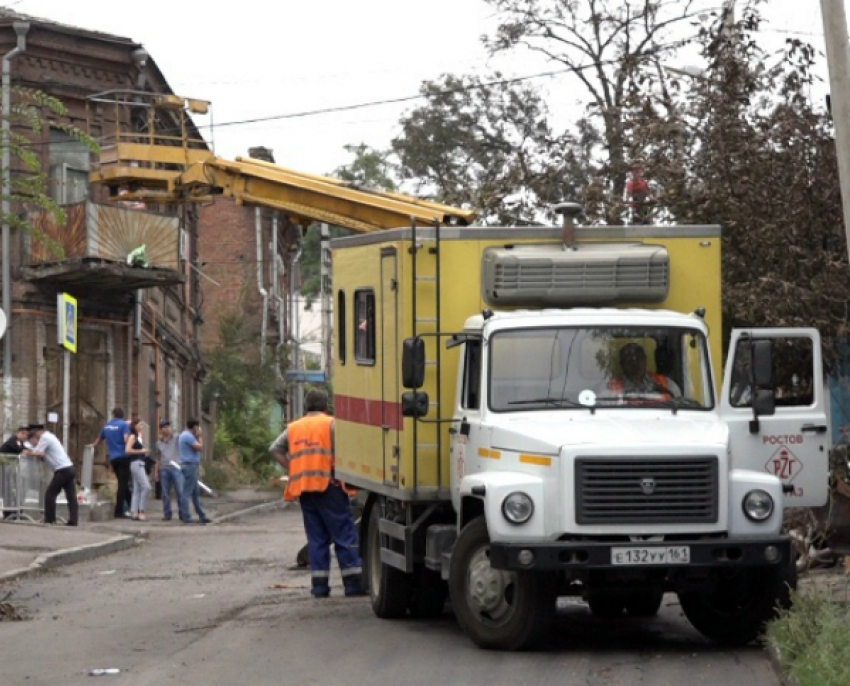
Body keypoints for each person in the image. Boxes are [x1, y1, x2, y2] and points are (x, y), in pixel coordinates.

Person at [269, 389, 364, 598]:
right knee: (343, 534)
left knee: (317, 537)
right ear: (325, 406)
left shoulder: (294, 428)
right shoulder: (331, 424)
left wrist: (292, 467)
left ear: (306, 406)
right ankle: (353, 585)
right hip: (329, 486)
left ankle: (320, 587)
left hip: (304, 488)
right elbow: (345, 451)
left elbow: (274, 449)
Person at [22, 423, 78, 526]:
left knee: (50, 494)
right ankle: (74, 520)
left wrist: (27, 453)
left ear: (38, 432)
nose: (35, 437)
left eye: (34, 435)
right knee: (71, 496)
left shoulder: (45, 437)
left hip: (62, 470)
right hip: (69, 467)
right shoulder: (50, 437)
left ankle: (50, 519)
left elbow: (39, 453)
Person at [92, 408, 131, 518]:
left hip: (113, 458)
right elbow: (126, 439)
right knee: (123, 484)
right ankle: (119, 511)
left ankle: (131, 504)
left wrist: (92, 446)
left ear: (113, 415)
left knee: (123, 482)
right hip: (124, 456)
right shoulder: (124, 425)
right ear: (122, 416)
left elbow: (99, 440)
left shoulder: (107, 426)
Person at [609, 342, 682, 398]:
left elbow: (679, 410)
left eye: (639, 358)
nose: (635, 364)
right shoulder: (611, 388)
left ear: (645, 360)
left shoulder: (666, 384)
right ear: (622, 364)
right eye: (629, 360)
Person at [179, 419, 211, 525]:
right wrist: (200, 436)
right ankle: (186, 516)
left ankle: (202, 515)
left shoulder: (187, 436)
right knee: (186, 492)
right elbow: (200, 447)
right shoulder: (187, 436)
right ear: (194, 427)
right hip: (189, 466)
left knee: (195, 492)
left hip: (191, 466)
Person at [155, 419, 188, 522]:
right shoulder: (158, 443)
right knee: (165, 493)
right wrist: (156, 471)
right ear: (161, 429)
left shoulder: (177, 438)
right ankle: (167, 514)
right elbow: (158, 458)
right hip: (164, 468)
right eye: (164, 427)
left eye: (168, 426)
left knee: (180, 491)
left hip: (176, 468)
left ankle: (183, 513)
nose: (167, 429)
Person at [125, 418, 151, 521]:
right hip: (136, 463)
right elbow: (128, 450)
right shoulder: (133, 436)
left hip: (140, 462)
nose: (141, 426)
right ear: (135, 426)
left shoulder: (139, 436)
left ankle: (134, 511)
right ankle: (141, 510)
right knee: (146, 486)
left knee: (137, 489)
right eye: (140, 424)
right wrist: (141, 451)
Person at [624, 160, 654, 225]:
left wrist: (652, 199)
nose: (636, 172)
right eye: (634, 170)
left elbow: (648, 193)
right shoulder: (630, 183)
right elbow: (628, 195)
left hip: (644, 205)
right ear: (632, 172)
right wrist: (627, 201)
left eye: (638, 170)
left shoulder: (643, 183)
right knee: (636, 219)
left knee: (647, 220)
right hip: (635, 206)